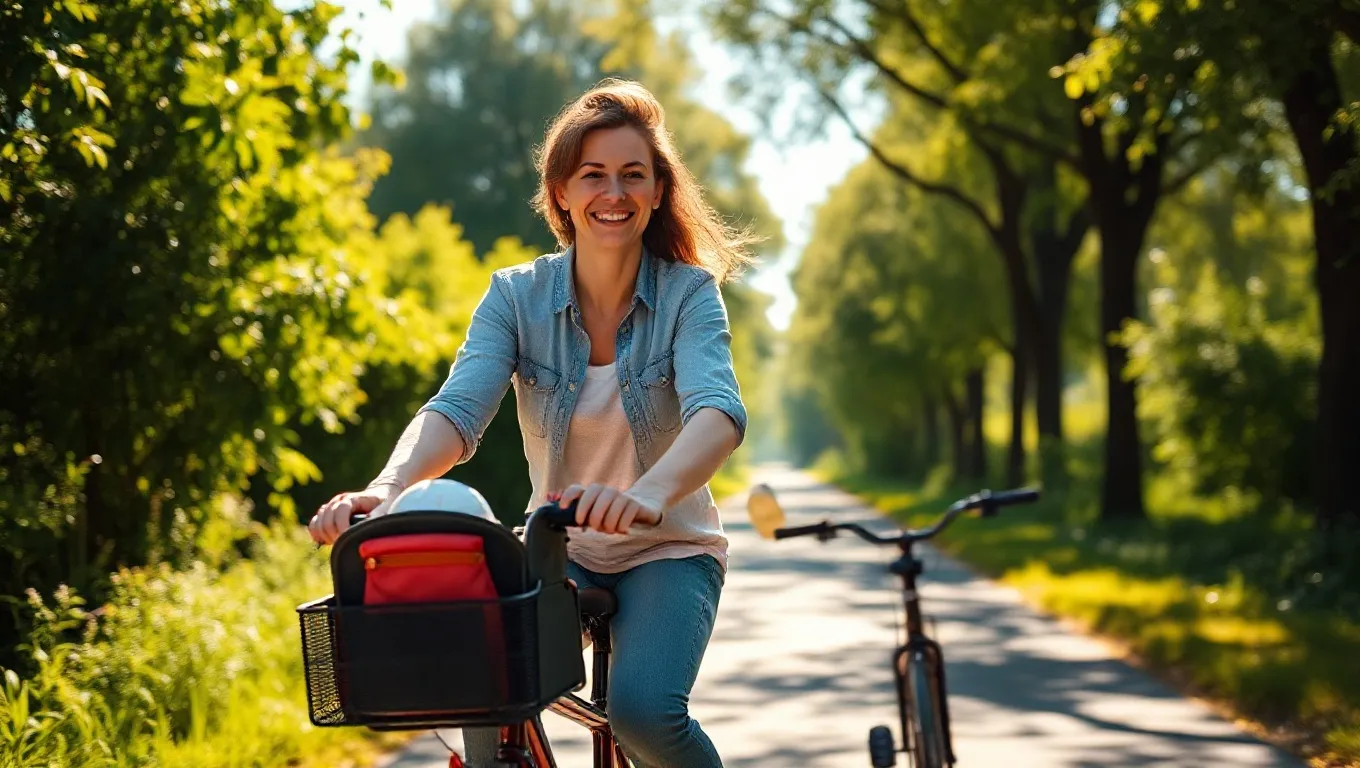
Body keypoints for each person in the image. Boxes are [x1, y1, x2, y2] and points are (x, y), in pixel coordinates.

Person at [308, 78, 757, 768]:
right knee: (478, 688)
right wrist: (386, 488)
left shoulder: (688, 294)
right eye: (594, 175)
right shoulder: (515, 297)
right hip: (558, 550)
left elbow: (717, 414)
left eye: (633, 175)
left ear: (658, 191)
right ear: (562, 194)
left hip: (669, 547)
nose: (614, 193)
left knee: (642, 715)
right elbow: (457, 411)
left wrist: (645, 496)